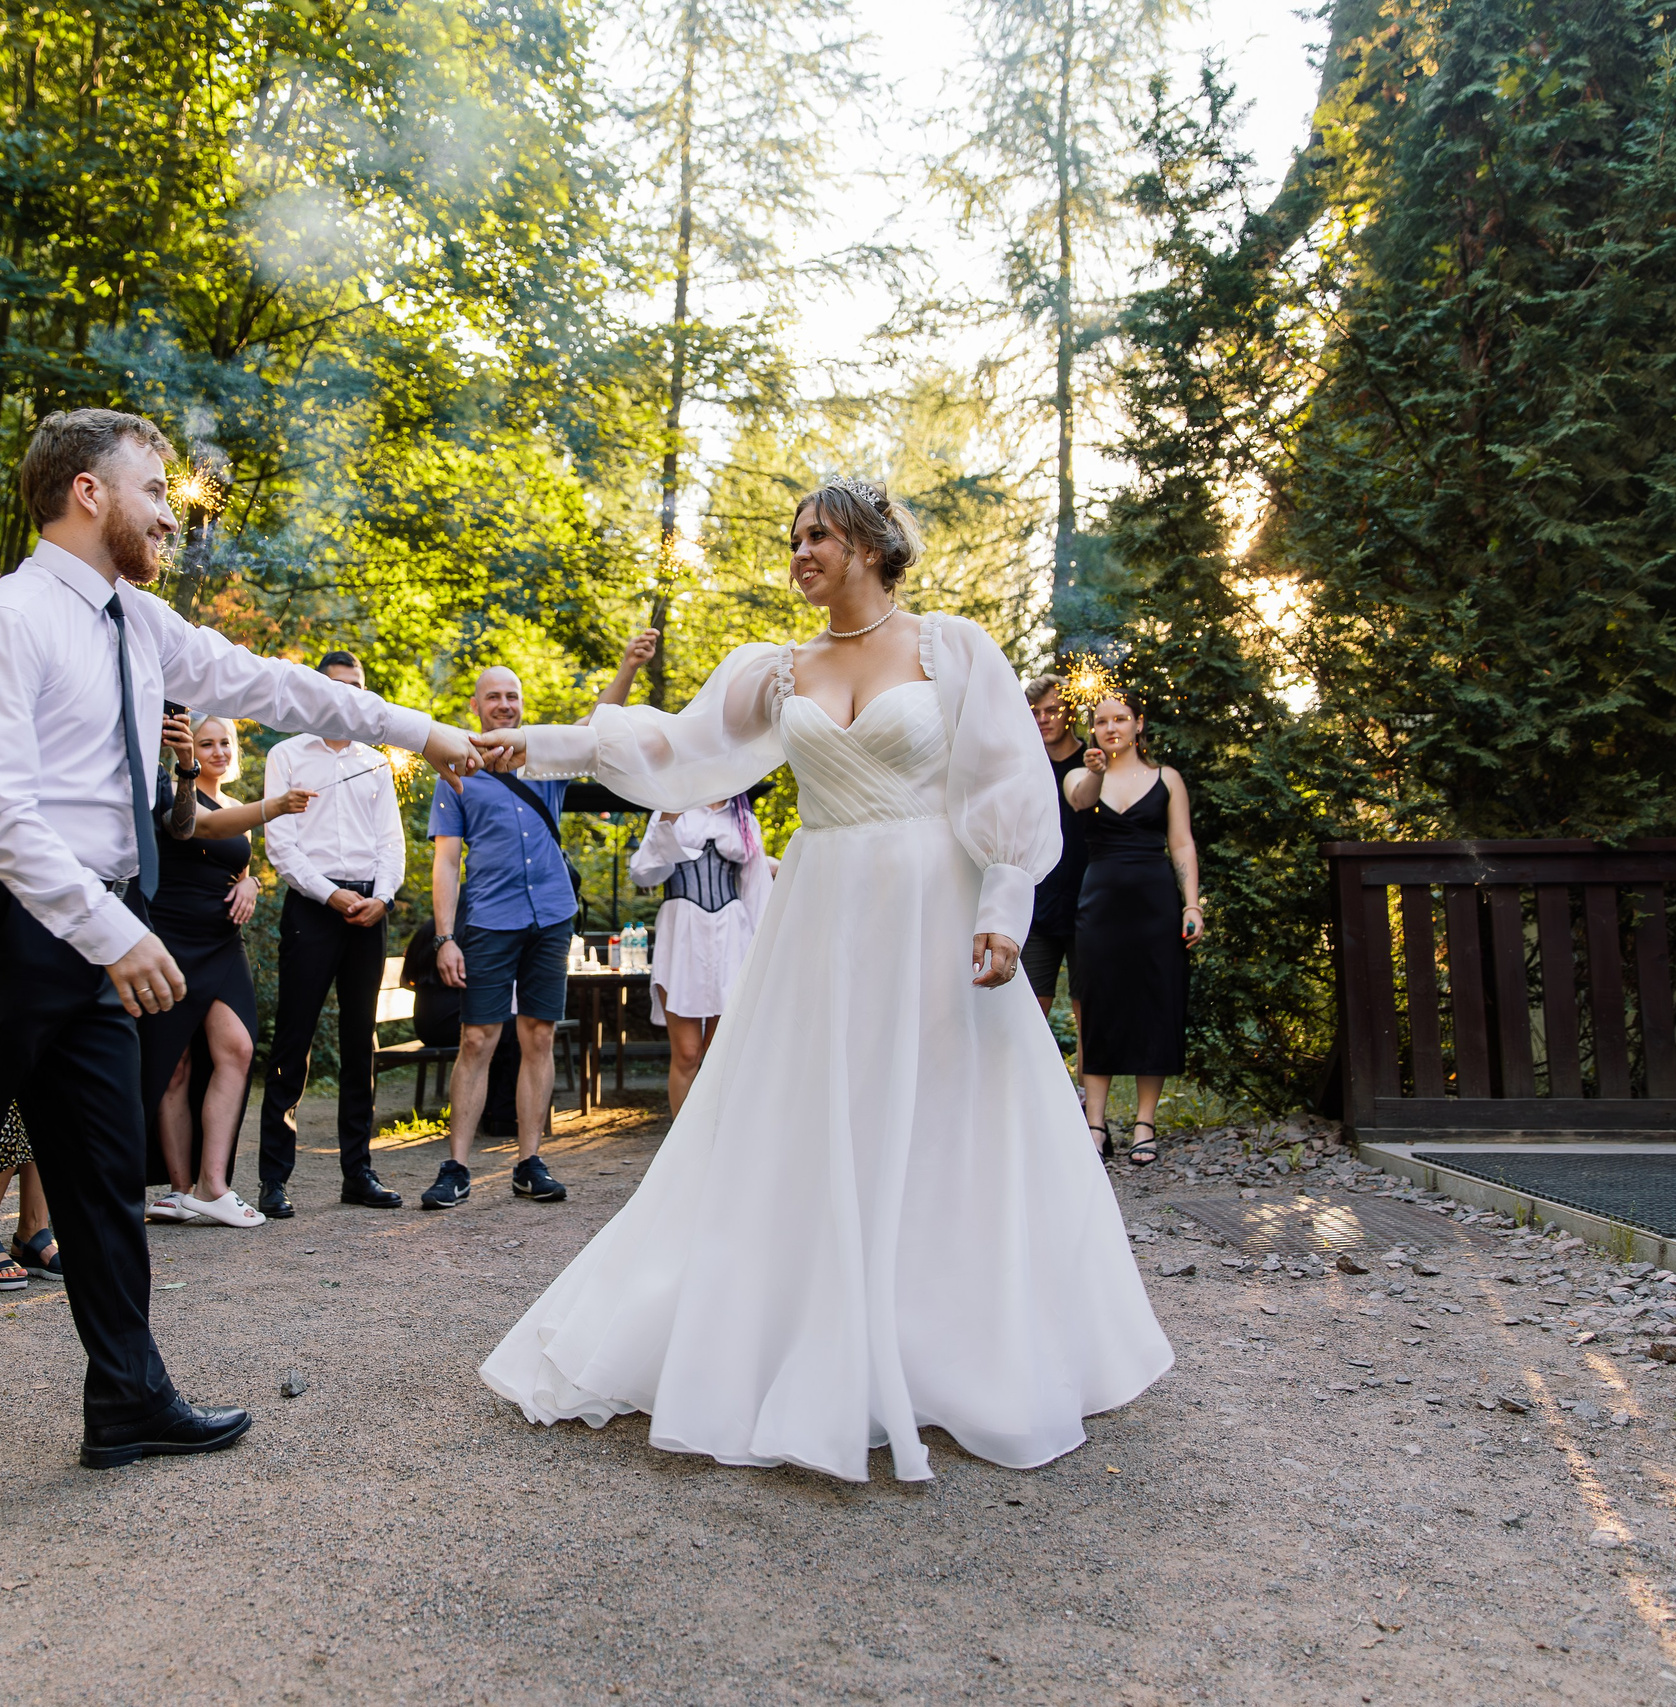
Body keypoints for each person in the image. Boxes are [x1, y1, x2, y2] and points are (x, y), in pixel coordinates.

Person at [0, 408, 481, 1543]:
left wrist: (427, 732)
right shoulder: (2, 623)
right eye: (154, 488)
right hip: (6, 930)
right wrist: (110, 934)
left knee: (104, 1182)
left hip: (95, 929)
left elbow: (274, 685)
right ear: (87, 495)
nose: (172, 512)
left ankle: (125, 1398)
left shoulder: (139, 621)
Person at [466, 477, 1171, 1484]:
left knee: (940, 1118)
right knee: (817, 1116)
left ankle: (947, 1340)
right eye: (792, 538)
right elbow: (669, 746)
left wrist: (1001, 906)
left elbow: (1008, 783)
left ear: (873, 544)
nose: (798, 552)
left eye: (817, 535)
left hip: (933, 906)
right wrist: (533, 744)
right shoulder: (776, 670)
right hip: (824, 913)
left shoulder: (951, 650)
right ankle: (816, 1329)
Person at [142, 714, 314, 1228]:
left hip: (221, 943)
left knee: (237, 1049)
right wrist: (274, 806)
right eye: (206, 743)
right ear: (187, 750)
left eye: (225, 743)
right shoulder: (168, 794)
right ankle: (177, 1190)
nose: (218, 751)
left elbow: (238, 863)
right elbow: (193, 828)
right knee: (173, 1065)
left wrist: (252, 884)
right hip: (170, 936)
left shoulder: (237, 806)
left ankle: (213, 1185)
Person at [255, 653, 410, 1217]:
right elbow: (282, 845)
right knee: (293, 1040)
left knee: (359, 1043)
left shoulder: (376, 762)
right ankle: (274, 1178)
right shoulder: (287, 755)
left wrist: (383, 898)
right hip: (314, 909)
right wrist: (331, 894)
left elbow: (391, 842)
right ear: (321, 689)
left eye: (358, 687)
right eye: (339, 686)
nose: (349, 695)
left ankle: (358, 1172)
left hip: (370, 910)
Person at [422, 666, 579, 1211]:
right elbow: (445, 862)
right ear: (476, 706)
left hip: (553, 915)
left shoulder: (548, 758)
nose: (505, 704)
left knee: (538, 1037)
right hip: (489, 920)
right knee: (477, 1040)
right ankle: (456, 1167)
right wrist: (445, 937)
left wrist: (629, 666)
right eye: (494, 696)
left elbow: (600, 724)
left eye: (512, 695)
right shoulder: (456, 773)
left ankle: (529, 1162)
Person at [1064, 691, 1202, 1169]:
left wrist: (1191, 905)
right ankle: (1096, 1125)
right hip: (1099, 906)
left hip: (1155, 905)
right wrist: (1098, 771)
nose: (1111, 727)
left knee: (1154, 1004)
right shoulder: (1081, 776)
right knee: (1098, 1006)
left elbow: (1181, 844)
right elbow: (1080, 801)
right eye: (1101, 721)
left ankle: (1145, 1123)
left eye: (1121, 718)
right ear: (1093, 730)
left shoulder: (1168, 779)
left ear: (1139, 724)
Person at [625, 795, 774, 1114]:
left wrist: (762, 953)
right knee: (688, 1053)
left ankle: (719, 1145)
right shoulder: (672, 806)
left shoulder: (744, 819)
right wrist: (668, 818)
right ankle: (682, 1153)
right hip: (681, 937)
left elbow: (757, 888)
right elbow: (642, 874)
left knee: (723, 1055)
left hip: (732, 937)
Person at [1018, 676, 1092, 1135]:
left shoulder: (1094, 761)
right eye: (1034, 714)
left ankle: (1088, 1113)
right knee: (1027, 1009)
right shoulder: (1024, 764)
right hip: (1036, 901)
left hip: (1090, 903)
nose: (1043, 720)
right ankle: (1032, 1111)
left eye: (1051, 710)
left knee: (1089, 1013)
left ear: (1069, 711)